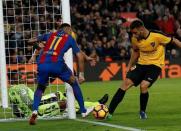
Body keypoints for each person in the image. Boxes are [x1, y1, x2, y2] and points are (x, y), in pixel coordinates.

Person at [107, 20, 181, 119]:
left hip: (155, 66)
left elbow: (174, 40)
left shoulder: (157, 35)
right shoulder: (134, 39)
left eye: (135, 33)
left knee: (143, 86)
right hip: (141, 65)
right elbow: (135, 52)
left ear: (141, 29)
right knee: (125, 84)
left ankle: (142, 112)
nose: (134, 35)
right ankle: (109, 112)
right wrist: (129, 66)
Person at [28, 23, 94, 125]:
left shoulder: (50, 35)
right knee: (74, 82)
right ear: (67, 29)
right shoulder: (69, 38)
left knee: (40, 88)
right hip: (57, 65)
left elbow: (30, 41)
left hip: (42, 64)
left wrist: (38, 46)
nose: (70, 32)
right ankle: (83, 111)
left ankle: (34, 111)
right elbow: (79, 56)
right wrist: (81, 75)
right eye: (70, 30)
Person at [9, 84, 109, 118]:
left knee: (61, 96)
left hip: (37, 107)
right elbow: (31, 105)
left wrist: (23, 116)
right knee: (65, 102)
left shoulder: (13, 92)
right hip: (39, 110)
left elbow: (16, 112)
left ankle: (97, 103)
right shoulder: (21, 90)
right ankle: (84, 109)